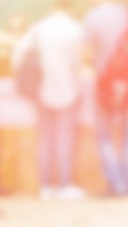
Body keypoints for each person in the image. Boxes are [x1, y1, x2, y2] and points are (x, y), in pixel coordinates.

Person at [12, 0, 85, 200]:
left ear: (52, 6)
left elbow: (18, 56)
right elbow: (79, 62)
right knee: (64, 139)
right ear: (70, 7)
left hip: (42, 91)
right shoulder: (76, 29)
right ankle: (64, 185)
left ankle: (45, 186)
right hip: (68, 89)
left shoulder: (38, 28)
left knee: (44, 139)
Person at [84, 0, 128, 196]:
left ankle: (115, 184)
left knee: (105, 135)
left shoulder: (92, 17)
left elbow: (86, 54)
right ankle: (126, 184)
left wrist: (100, 65)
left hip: (104, 81)